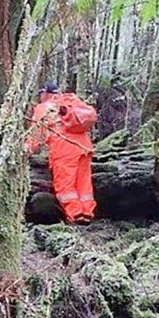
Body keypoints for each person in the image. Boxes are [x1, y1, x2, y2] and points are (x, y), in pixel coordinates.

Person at [26, 82, 99, 224]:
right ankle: (87, 213)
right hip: (84, 146)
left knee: (65, 185)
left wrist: (26, 151)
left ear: (45, 93)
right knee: (84, 184)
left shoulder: (44, 108)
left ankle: (75, 215)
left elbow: (37, 136)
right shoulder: (70, 101)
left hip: (64, 150)